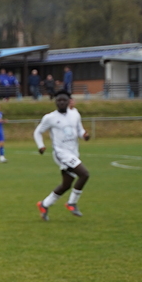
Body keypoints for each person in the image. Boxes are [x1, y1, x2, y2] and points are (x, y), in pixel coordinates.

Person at [34, 89, 90, 220]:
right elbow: (37, 132)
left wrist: (84, 135)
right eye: (59, 100)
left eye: (64, 100)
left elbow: (80, 130)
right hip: (61, 153)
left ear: (69, 101)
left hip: (73, 153)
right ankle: (72, 203)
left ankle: (44, 204)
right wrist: (40, 145)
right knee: (84, 174)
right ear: (55, 102)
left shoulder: (75, 114)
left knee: (66, 184)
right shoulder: (50, 118)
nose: (61, 102)